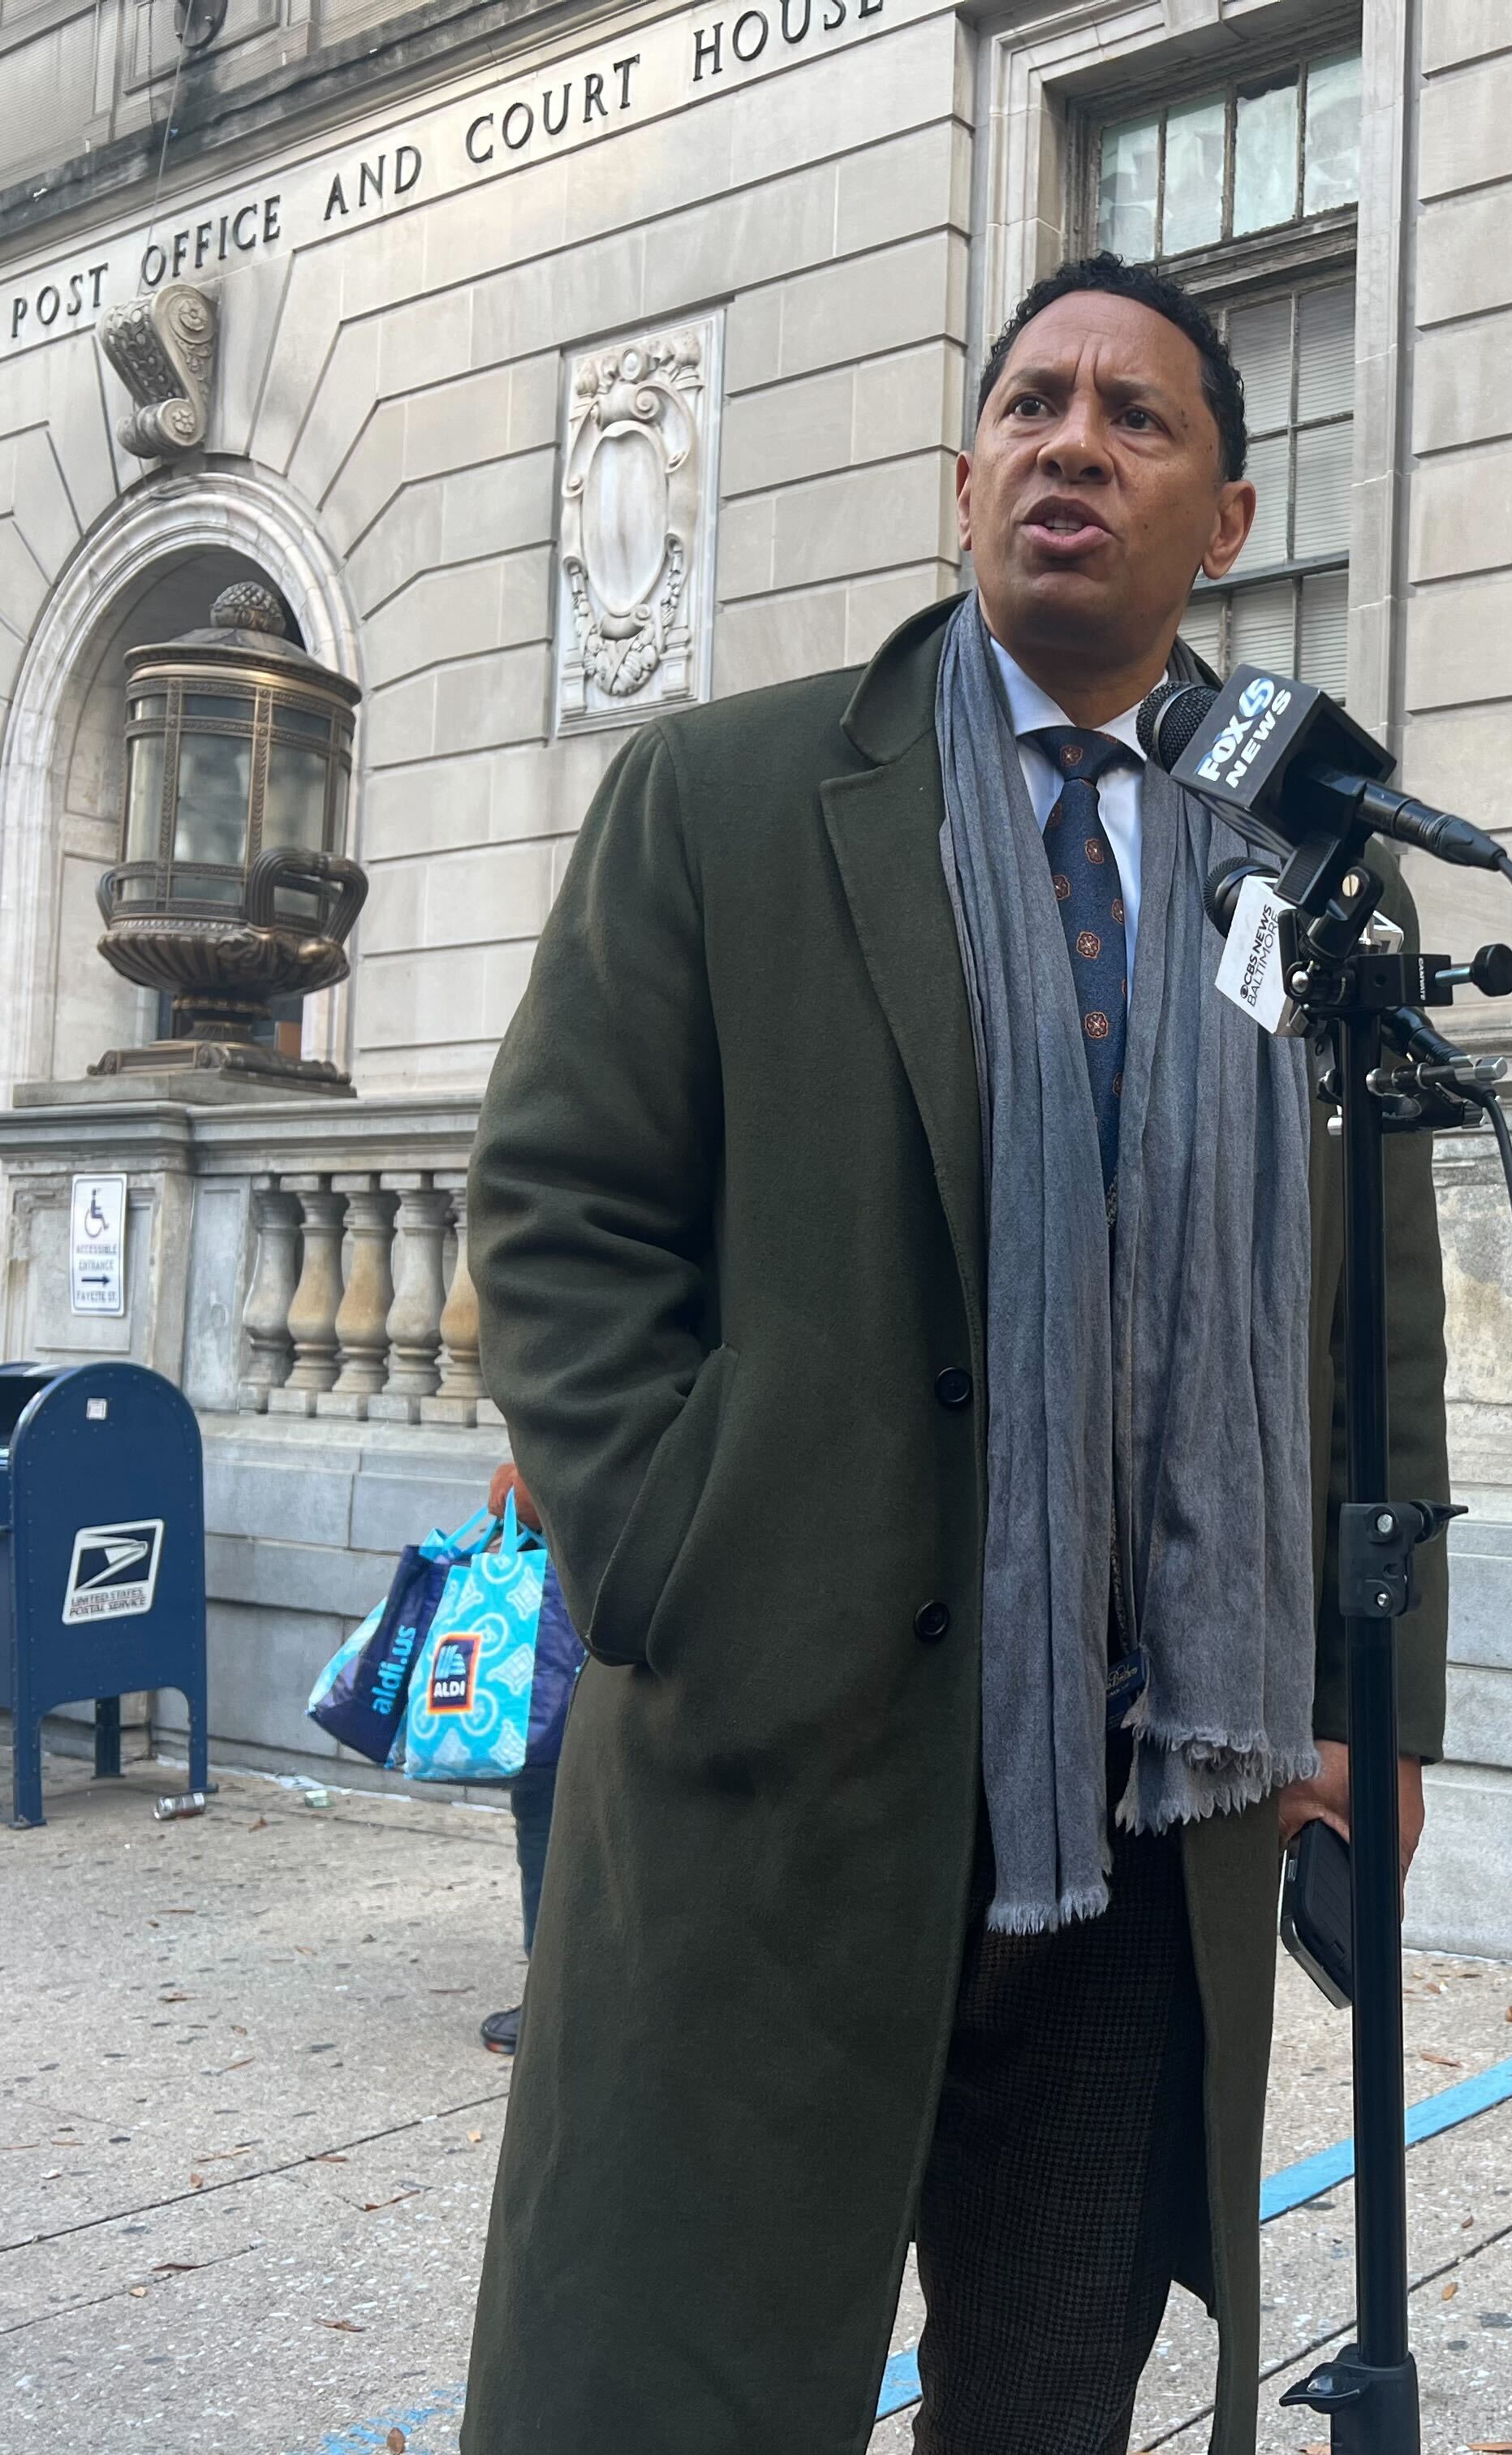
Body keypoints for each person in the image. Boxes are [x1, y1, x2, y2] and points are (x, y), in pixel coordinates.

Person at [459, 252, 1451, 2455]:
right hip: (789, 1769)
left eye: (1136, 415)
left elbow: (1378, 1321)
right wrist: (679, 1562)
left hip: (1144, 1819)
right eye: (1030, 404)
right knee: (695, 2373)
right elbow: (558, 1215)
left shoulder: (1292, 872)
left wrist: (1382, 1703)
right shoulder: (726, 801)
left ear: (1227, 518)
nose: (1070, 441)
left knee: (1047, 2403)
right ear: (971, 473)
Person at [475, 1459, 581, 2058]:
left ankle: (554, 1994)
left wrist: (518, 1482)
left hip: (579, 1620)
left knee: (547, 1794)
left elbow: (524, 1490)